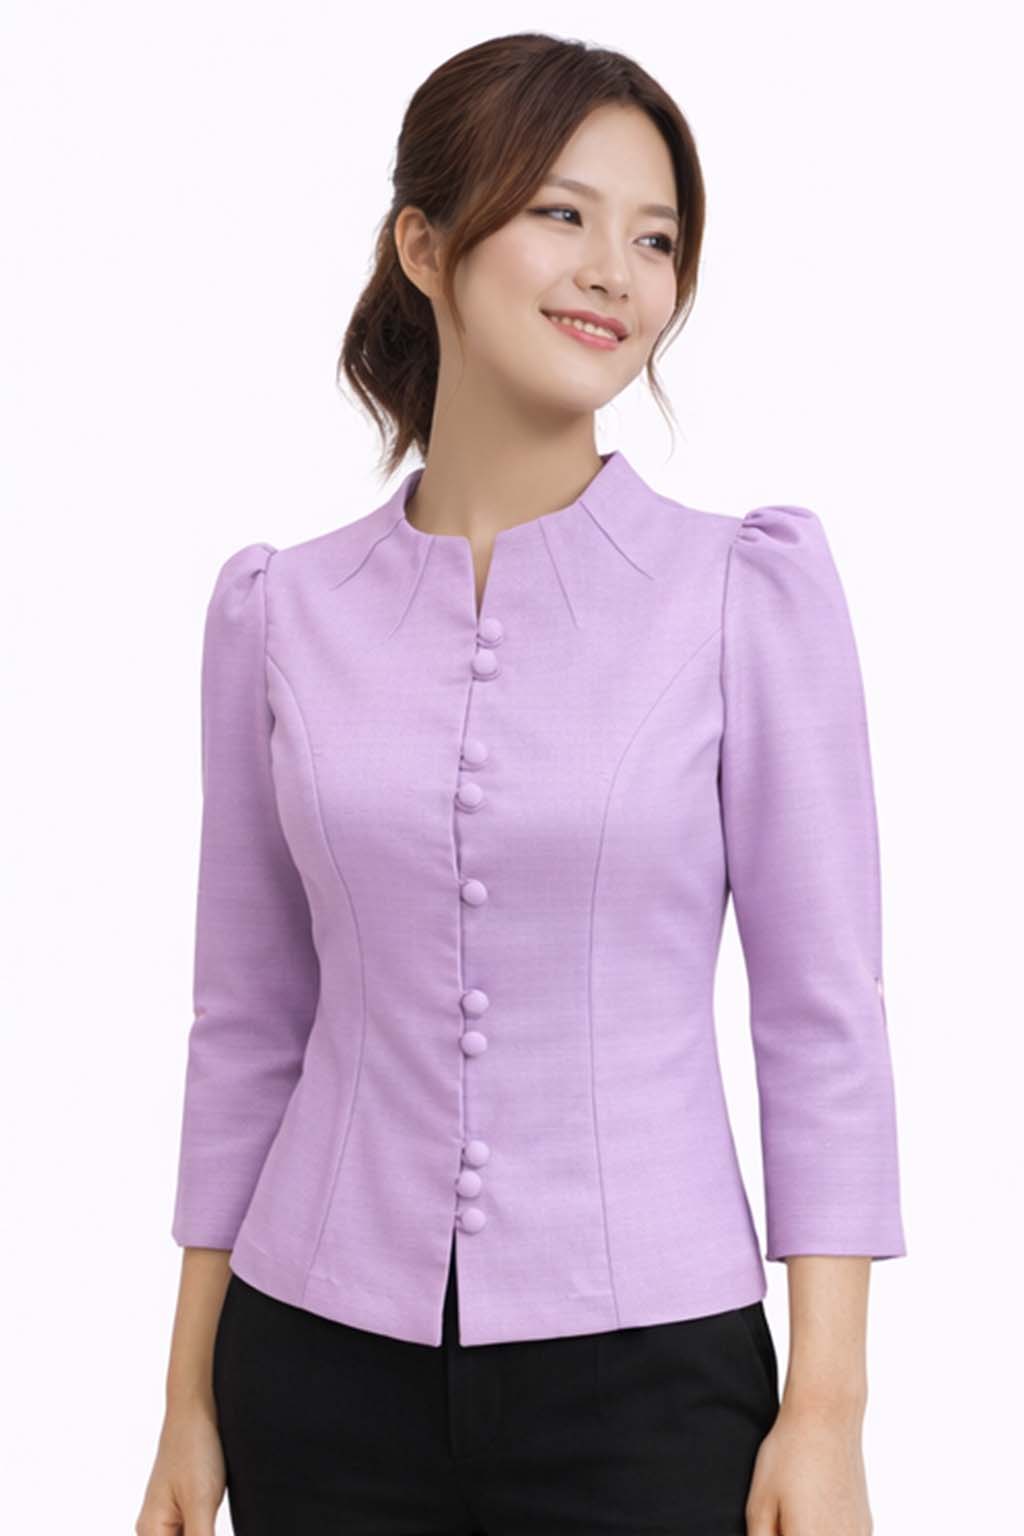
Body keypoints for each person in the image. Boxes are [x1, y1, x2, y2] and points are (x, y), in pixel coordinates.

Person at [136, 30, 907, 1536]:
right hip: (310, 1359)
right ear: (424, 246)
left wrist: (827, 1410)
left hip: (653, 1374)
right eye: (563, 213)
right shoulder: (278, 614)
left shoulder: (744, 595)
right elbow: (246, 1024)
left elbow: (823, 1018)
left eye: (657, 237)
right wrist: (185, 1396)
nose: (616, 270)